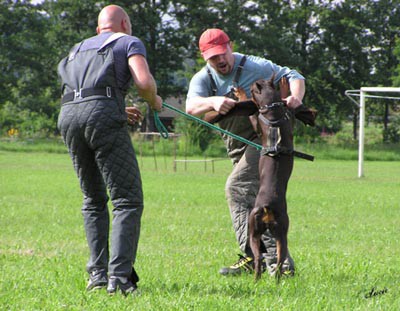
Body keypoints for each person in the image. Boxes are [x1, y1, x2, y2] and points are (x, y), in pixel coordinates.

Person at [57, 5, 162, 295]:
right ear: (125, 23)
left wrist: (115, 105)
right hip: (101, 117)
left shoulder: (76, 49)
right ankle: (120, 279)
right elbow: (142, 83)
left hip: (68, 116)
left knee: (92, 199)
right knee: (127, 200)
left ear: (97, 29)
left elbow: (82, 93)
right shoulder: (128, 41)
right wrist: (154, 100)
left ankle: (97, 276)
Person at [186, 28, 305, 276]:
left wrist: (295, 96)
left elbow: (294, 75)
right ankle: (260, 257)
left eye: (222, 54)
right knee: (253, 200)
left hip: (265, 141)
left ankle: (273, 263)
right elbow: (190, 107)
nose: (219, 61)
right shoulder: (203, 78)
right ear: (204, 57)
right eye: (212, 57)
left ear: (230, 47)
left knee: (237, 188)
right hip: (236, 147)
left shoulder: (255, 65)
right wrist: (213, 101)